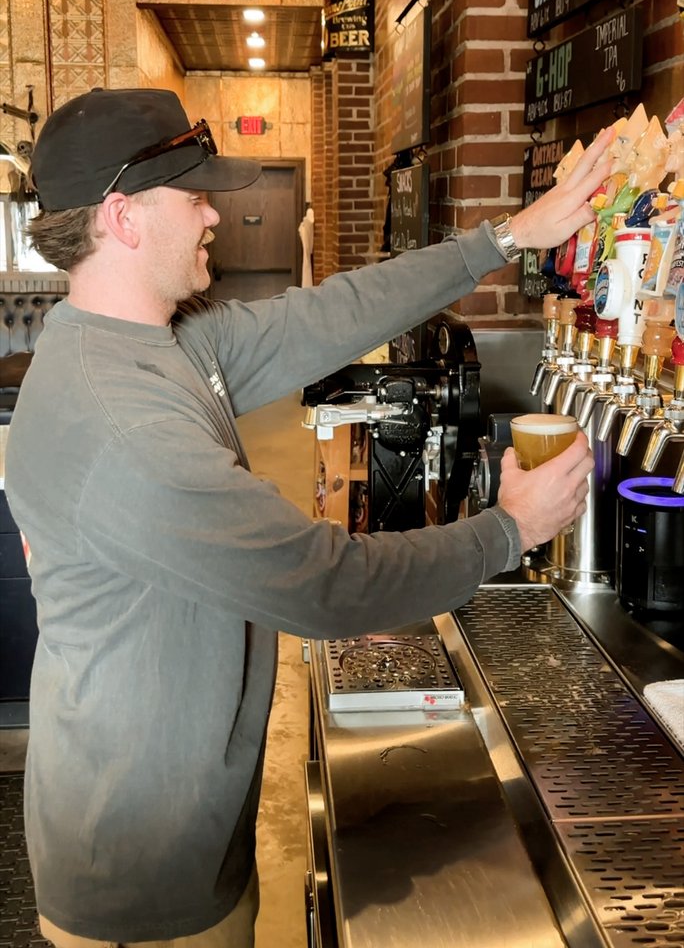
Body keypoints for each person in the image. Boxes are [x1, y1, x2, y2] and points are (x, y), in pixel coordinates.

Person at [5, 87, 610, 948]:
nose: (215, 213)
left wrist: (504, 239)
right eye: (195, 195)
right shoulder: (120, 419)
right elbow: (325, 584)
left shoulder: (163, 341)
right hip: (141, 878)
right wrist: (509, 529)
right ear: (124, 216)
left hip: (196, 830)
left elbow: (323, 317)